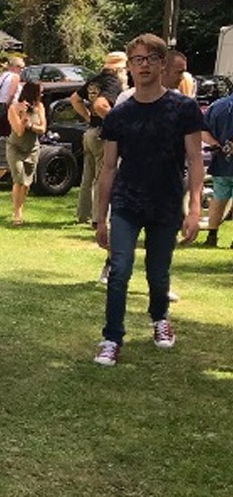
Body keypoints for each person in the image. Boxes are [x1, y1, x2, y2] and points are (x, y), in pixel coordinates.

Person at [92, 33, 203, 366]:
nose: (142, 66)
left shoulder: (183, 108)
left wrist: (195, 207)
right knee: (120, 269)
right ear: (129, 66)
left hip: (166, 202)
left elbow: (195, 159)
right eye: (136, 60)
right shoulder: (118, 115)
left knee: (158, 272)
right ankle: (111, 337)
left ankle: (159, 318)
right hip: (127, 202)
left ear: (162, 64)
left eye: (150, 59)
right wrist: (101, 216)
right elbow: (108, 168)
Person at [70, 51, 127, 226]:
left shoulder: (94, 80)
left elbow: (75, 99)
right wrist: (115, 123)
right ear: (119, 69)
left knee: (87, 177)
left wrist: (88, 117)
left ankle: (83, 215)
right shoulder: (113, 82)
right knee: (103, 176)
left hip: (90, 132)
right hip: (102, 134)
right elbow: (101, 104)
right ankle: (97, 218)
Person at [6, 81, 46, 226]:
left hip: (32, 148)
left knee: (26, 183)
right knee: (18, 179)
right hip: (15, 147)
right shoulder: (14, 108)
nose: (41, 95)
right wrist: (23, 117)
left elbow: (43, 129)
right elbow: (19, 131)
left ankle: (20, 206)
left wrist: (31, 125)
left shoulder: (39, 107)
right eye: (39, 92)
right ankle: (17, 213)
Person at [200, 91, 233, 247]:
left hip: (221, 162)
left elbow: (202, 130)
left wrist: (215, 144)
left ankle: (212, 236)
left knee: (218, 199)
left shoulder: (217, 106)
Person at [0, 56, 24, 139]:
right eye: (20, 68)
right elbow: (11, 94)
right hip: (9, 107)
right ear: (15, 67)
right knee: (10, 133)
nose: (21, 70)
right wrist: (7, 106)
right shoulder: (15, 77)